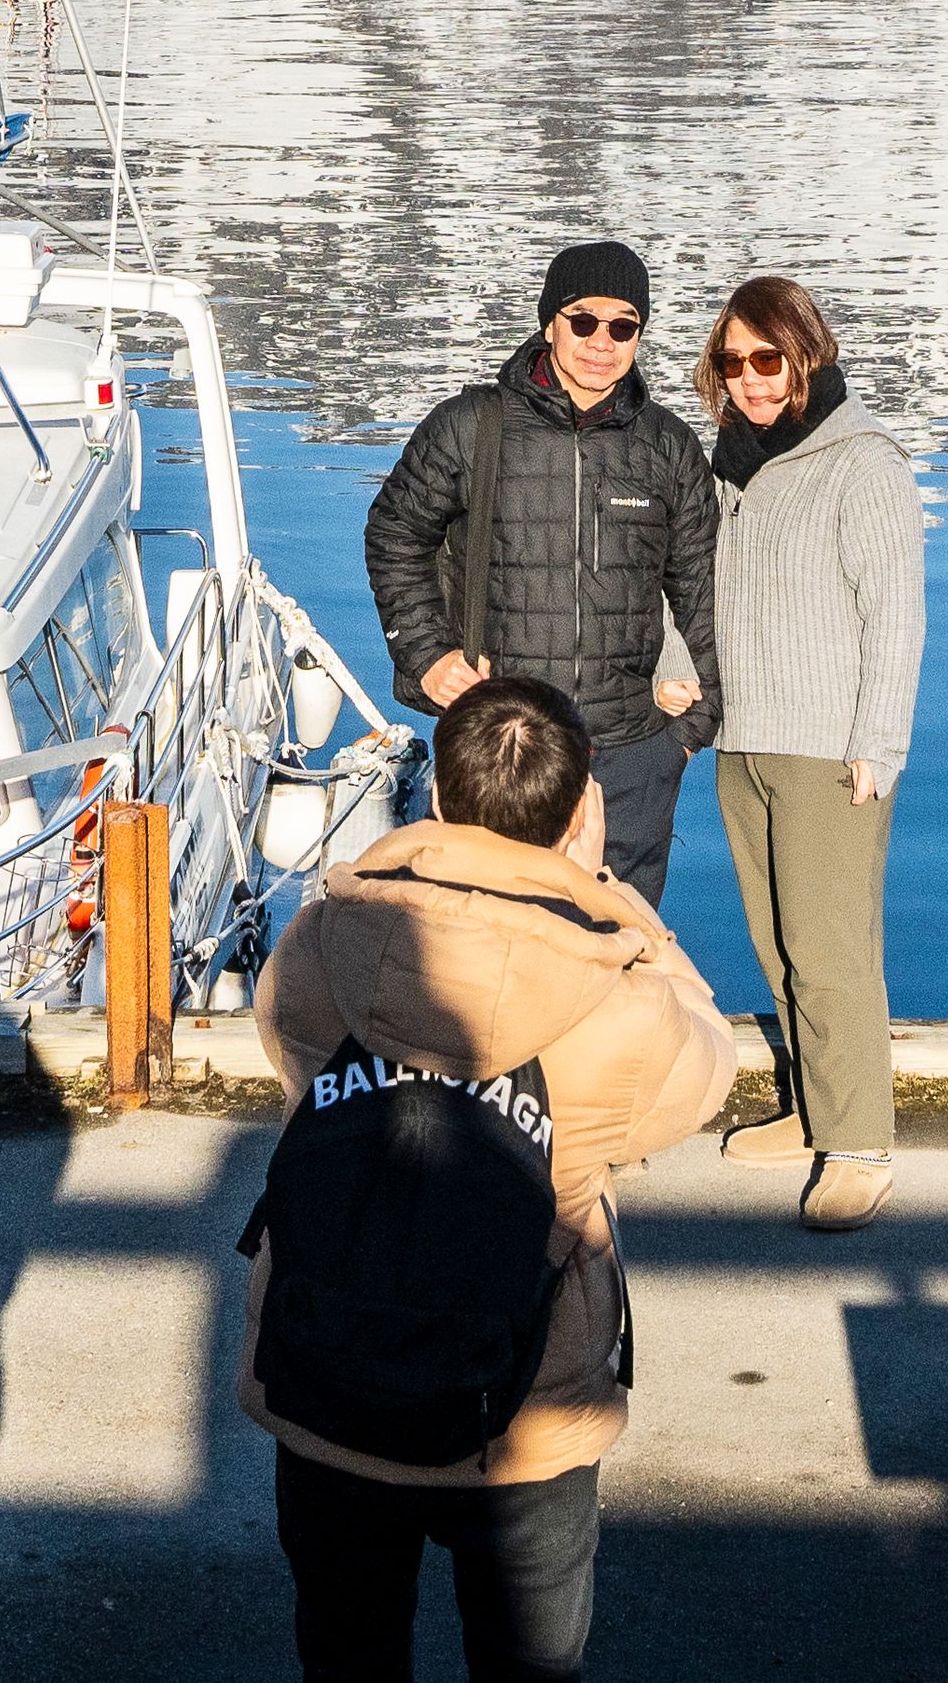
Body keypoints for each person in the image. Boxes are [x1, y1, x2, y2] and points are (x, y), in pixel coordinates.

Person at [248, 671, 737, 1683]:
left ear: (435, 801)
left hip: (325, 1376)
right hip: (522, 1416)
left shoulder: (324, 939)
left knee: (346, 1654)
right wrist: (615, 903)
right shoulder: (620, 1006)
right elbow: (708, 1072)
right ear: (579, 811)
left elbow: (287, 1042)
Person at [361, 245, 726, 891]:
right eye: (583, 320)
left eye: (623, 326)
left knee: (617, 953)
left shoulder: (668, 447)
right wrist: (425, 653)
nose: (601, 342)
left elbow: (706, 591)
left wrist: (687, 735)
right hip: (505, 747)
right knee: (485, 952)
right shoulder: (472, 426)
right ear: (549, 322)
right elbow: (395, 532)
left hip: (631, 760)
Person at [690, 273, 922, 1229]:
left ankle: (861, 1142)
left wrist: (879, 742)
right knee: (779, 946)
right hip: (742, 739)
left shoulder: (862, 462)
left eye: (767, 359)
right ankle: (814, 1109)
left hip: (830, 749)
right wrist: (675, 667)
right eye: (732, 361)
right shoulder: (731, 464)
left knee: (831, 950)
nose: (749, 379)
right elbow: (694, 587)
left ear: (806, 354)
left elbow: (896, 616)